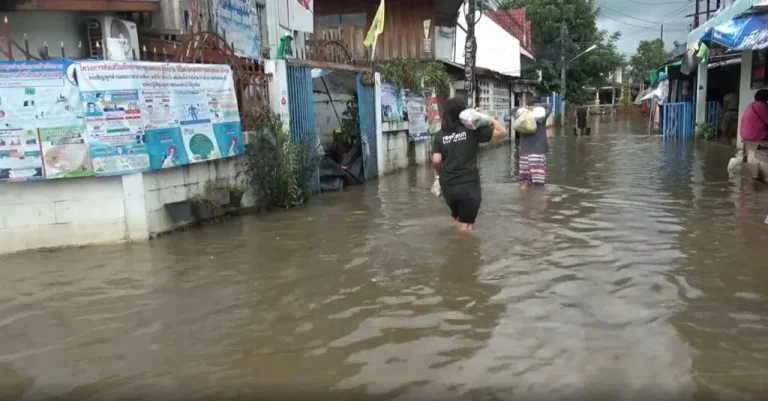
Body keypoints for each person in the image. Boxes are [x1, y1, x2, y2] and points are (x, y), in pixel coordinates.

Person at [431, 97, 507, 232]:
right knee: (467, 227)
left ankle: (452, 244)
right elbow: (502, 133)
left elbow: (436, 160)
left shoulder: (439, 135)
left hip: (448, 187)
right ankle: (463, 245)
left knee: (457, 218)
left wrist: (441, 175)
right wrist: (490, 119)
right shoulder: (471, 130)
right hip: (468, 186)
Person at [516, 102, 553, 189]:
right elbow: (549, 106)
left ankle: (523, 196)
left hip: (524, 154)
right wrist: (537, 106)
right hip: (538, 154)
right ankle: (536, 197)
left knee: (524, 181)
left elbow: (513, 111)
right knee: (538, 184)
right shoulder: (541, 118)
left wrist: (525, 108)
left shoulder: (522, 118)